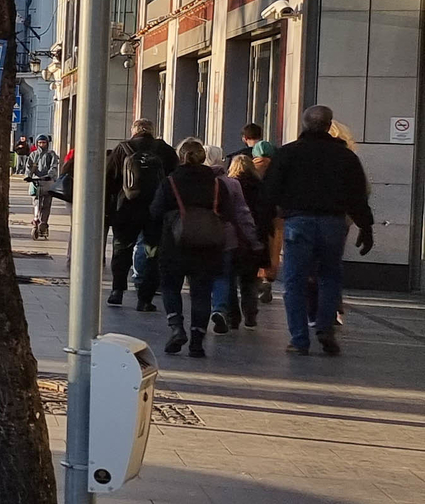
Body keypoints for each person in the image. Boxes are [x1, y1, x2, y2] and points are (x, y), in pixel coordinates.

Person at [263, 106, 374, 355]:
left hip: (297, 222)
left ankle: (299, 339)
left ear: (304, 124)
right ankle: (325, 327)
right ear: (328, 125)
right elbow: (357, 195)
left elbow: (269, 191)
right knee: (330, 276)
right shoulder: (345, 157)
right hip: (332, 223)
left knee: (294, 281)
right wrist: (366, 226)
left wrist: (264, 224)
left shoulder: (288, 153)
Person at [148, 139, 255, 358]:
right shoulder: (217, 184)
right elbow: (228, 213)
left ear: (181, 156)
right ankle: (197, 340)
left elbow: (155, 211)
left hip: (175, 243)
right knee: (201, 293)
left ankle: (176, 327)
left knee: (170, 287)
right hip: (208, 245)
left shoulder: (170, 182)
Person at [102, 118, 177, 309]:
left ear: (133, 131)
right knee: (153, 252)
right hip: (155, 211)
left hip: (126, 209)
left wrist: (107, 211)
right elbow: (174, 180)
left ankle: (117, 291)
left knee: (122, 250)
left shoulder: (122, 149)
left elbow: (108, 180)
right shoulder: (165, 150)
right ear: (152, 131)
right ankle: (145, 298)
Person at [214, 143, 274, 331]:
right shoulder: (261, 187)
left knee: (230, 278)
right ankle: (250, 314)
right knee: (249, 280)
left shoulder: (228, 186)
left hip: (233, 238)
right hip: (253, 238)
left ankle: (233, 317)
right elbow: (267, 215)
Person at [23, 133, 62, 238]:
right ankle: (36, 219)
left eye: (44, 142)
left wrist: (50, 175)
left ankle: (43, 223)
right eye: (40, 142)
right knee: (36, 202)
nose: (42, 144)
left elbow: (54, 166)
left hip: (47, 182)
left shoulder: (51, 154)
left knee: (46, 204)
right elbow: (29, 166)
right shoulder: (33, 155)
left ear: (47, 143)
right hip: (36, 182)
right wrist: (28, 175)